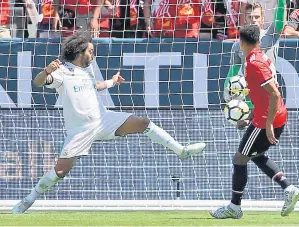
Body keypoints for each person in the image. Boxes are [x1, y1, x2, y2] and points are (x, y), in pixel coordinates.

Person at [12, 31, 206, 214]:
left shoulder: (86, 71)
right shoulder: (62, 72)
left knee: (143, 122)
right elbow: (37, 82)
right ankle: (28, 200)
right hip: (80, 131)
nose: (93, 54)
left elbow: (94, 86)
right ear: (80, 52)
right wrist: (47, 70)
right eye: (90, 51)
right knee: (60, 171)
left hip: (103, 120)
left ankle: (181, 151)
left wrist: (112, 82)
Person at [210, 25, 299, 219]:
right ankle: (288, 188)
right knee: (256, 155)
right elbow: (264, 95)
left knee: (239, 159)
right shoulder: (262, 57)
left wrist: (267, 124)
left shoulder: (253, 63)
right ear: (259, 41)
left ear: (241, 42)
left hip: (267, 119)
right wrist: (250, 115)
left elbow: (275, 94)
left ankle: (234, 208)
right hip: (269, 115)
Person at [224, 0, 286, 128]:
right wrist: (227, 92)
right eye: (250, 17)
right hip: (246, 103)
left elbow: (280, 20)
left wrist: (281, 2)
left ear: (262, 19)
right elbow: (232, 73)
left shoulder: (270, 35)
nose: (253, 20)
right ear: (245, 19)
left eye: (257, 17)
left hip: (267, 100)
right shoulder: (238, 45)